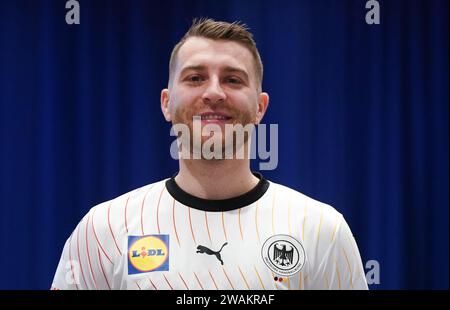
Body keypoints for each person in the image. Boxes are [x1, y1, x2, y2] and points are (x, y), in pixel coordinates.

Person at [51, 18, 368, 290]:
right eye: (195, 78)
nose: (214, 92)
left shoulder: (321, 229)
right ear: (166, 103)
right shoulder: (103, 228)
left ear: (260, 107)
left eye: (232, 79)